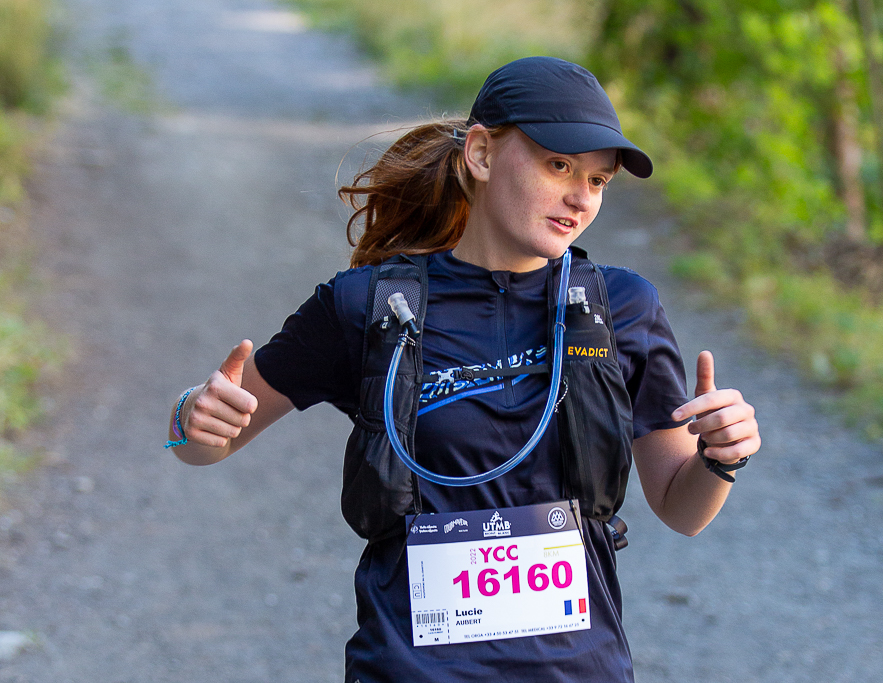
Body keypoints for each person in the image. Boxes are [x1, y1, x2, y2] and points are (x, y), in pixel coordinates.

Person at [167, 56, 760, 682]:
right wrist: (191, 417)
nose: (580, 196)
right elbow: (201, 444)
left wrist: (722, 457)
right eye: (558, 165)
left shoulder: (621, 308)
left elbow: (682, 509)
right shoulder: (370, 306)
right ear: (480, 154)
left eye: (598, 179)